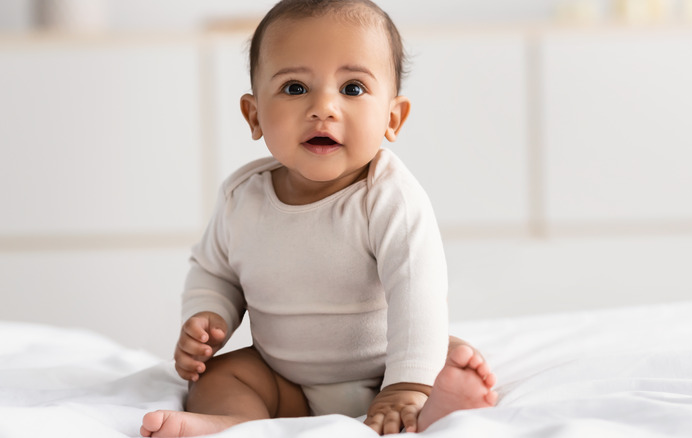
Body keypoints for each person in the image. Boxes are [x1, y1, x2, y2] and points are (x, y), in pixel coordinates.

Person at [141, 1, 497, 436]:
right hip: (285, 380)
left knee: (440, 352)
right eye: (294, 88)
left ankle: (429, 401)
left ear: (392, 117)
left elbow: (418, 293)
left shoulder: (388, 198)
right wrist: (207, 316)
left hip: (383, 367)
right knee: (217, 376)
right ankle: (238, 423)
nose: (323, 107)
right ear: (254, 115)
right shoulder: (242, 198)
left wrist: (406, 383)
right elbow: (213, 271)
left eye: (352, 88)